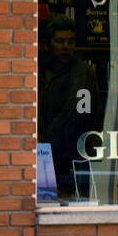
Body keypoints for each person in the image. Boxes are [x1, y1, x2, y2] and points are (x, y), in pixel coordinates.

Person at [39, 15, 100, 198]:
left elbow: (77, 115)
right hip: (46, 157)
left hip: (71, 158)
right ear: (47, 44)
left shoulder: (82, 73)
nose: (66, 47)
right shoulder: (40, 70)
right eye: (60, 41)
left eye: (70, 41)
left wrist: (42, 144)